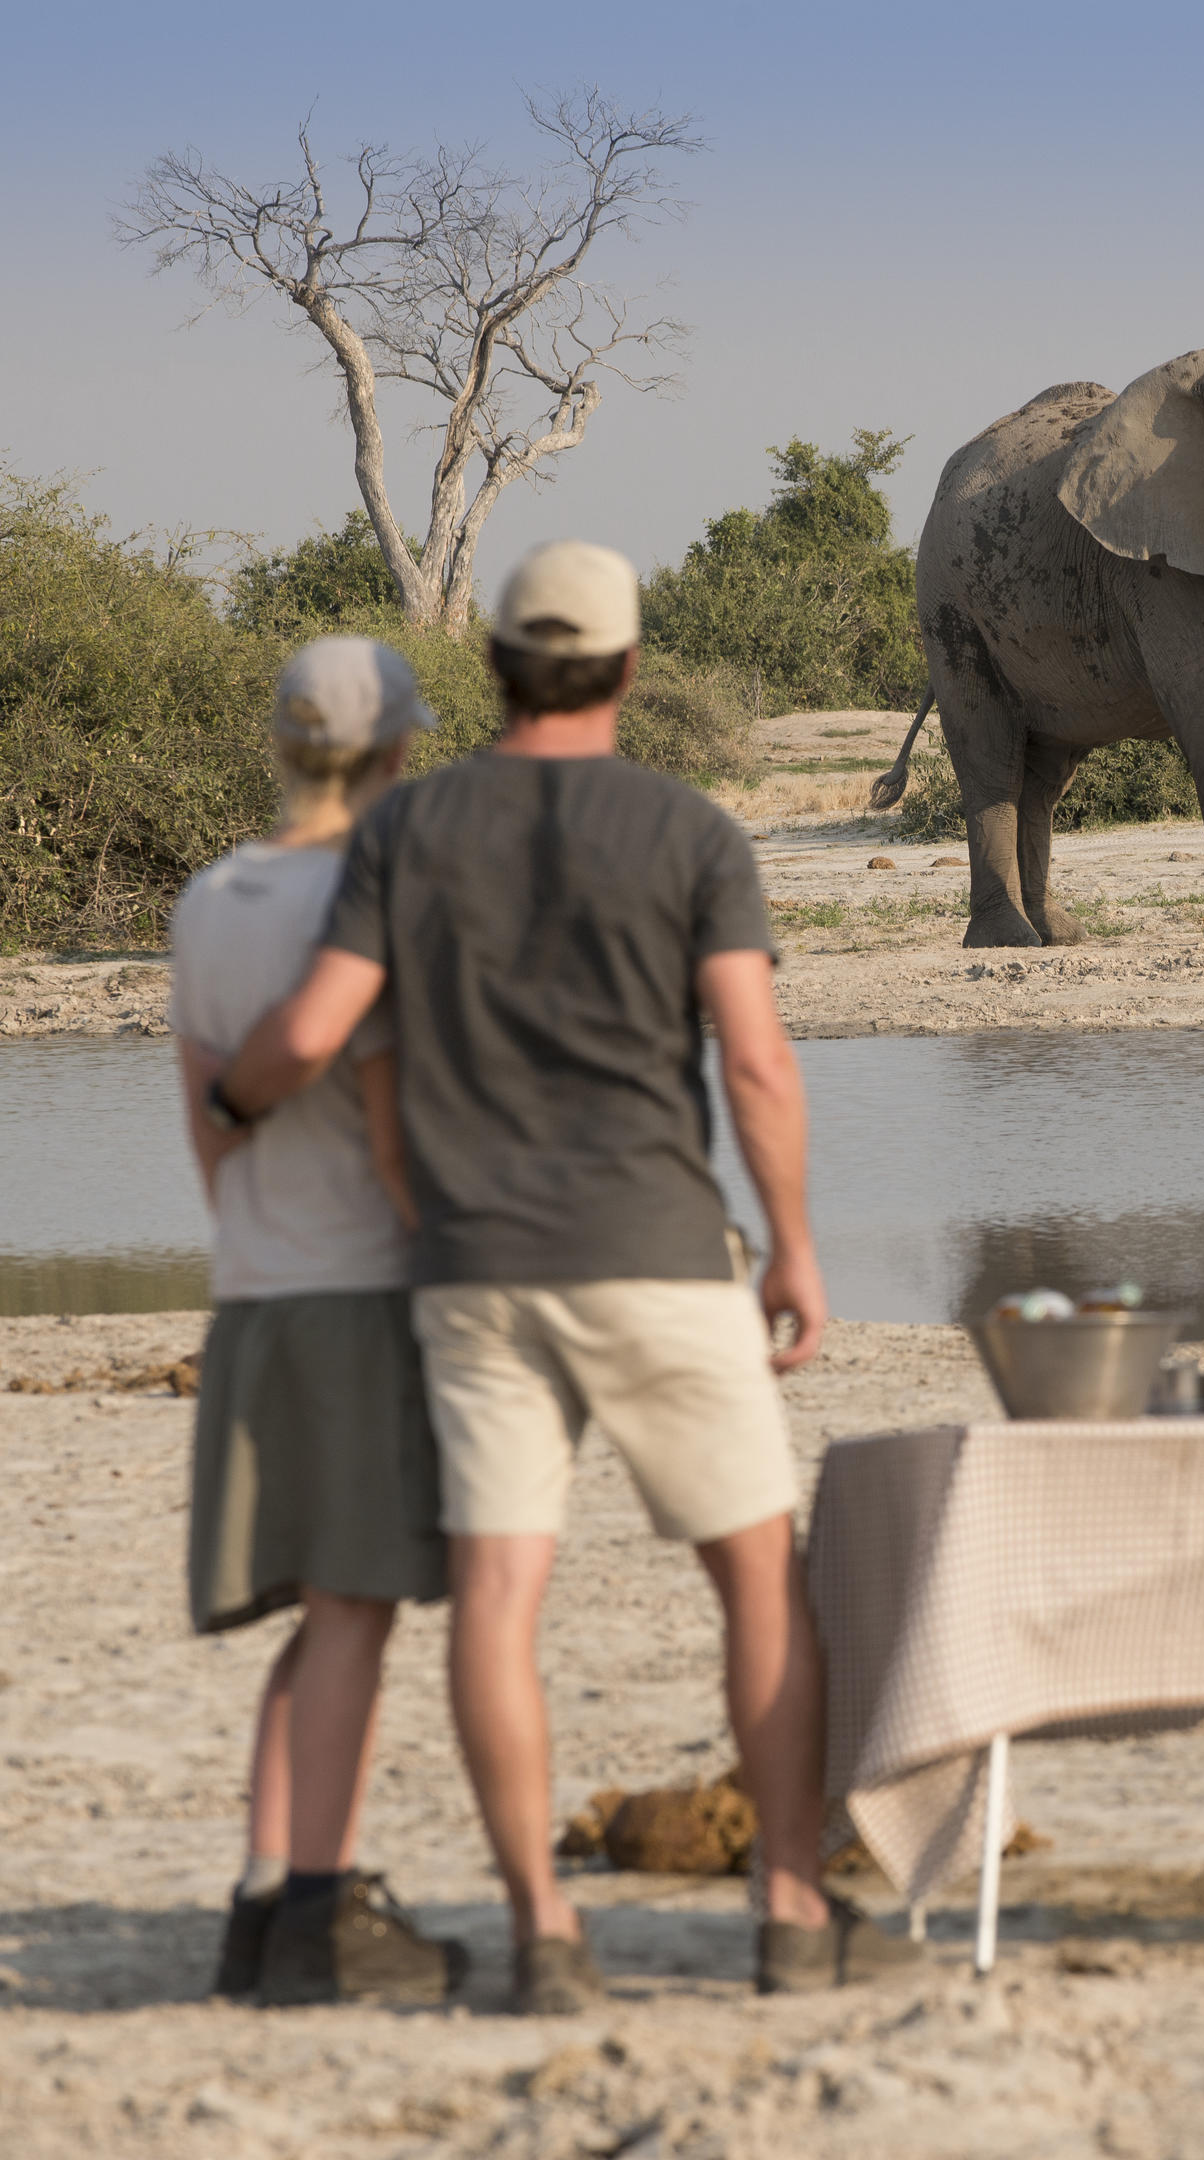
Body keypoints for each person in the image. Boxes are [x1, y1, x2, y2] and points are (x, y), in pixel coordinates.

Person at [210, 539, 920, 2007]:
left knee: (496, 1597)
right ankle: (791, 1913)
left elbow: (312, 1028)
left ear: (495, 666)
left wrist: (230, 1104)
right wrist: (792, 1243)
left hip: (473, 1272)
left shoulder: (408, 831)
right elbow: (758, 1061)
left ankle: (544, 1933)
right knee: (758, 1586)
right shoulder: (690, 830)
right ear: (631, 668)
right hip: (661, 1251)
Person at [172, 636, 462, 2007]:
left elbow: (208, 1124)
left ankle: (258, 1900)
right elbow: (400, 1144)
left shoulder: (208, 898)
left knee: (314, 1614)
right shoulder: (375, 897)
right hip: (360, 1290)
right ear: (400, 749)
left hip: (253, 1288)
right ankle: (317, 1918)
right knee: (353, 1615)